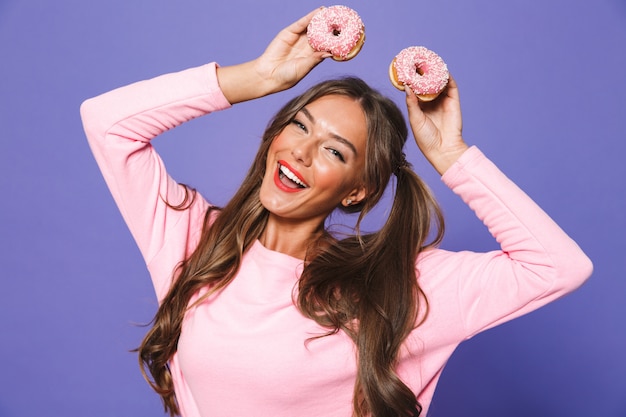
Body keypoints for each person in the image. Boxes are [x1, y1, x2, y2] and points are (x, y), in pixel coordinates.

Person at [80, 8, 592, 417]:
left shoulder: (395, 285)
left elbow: (558, 267)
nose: (302, 151)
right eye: (300, 126)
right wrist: (259, 77)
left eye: (335, 151)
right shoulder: (192, 239)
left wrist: (452, 156)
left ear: (356, 192)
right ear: (275, 133)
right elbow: (105, 123)